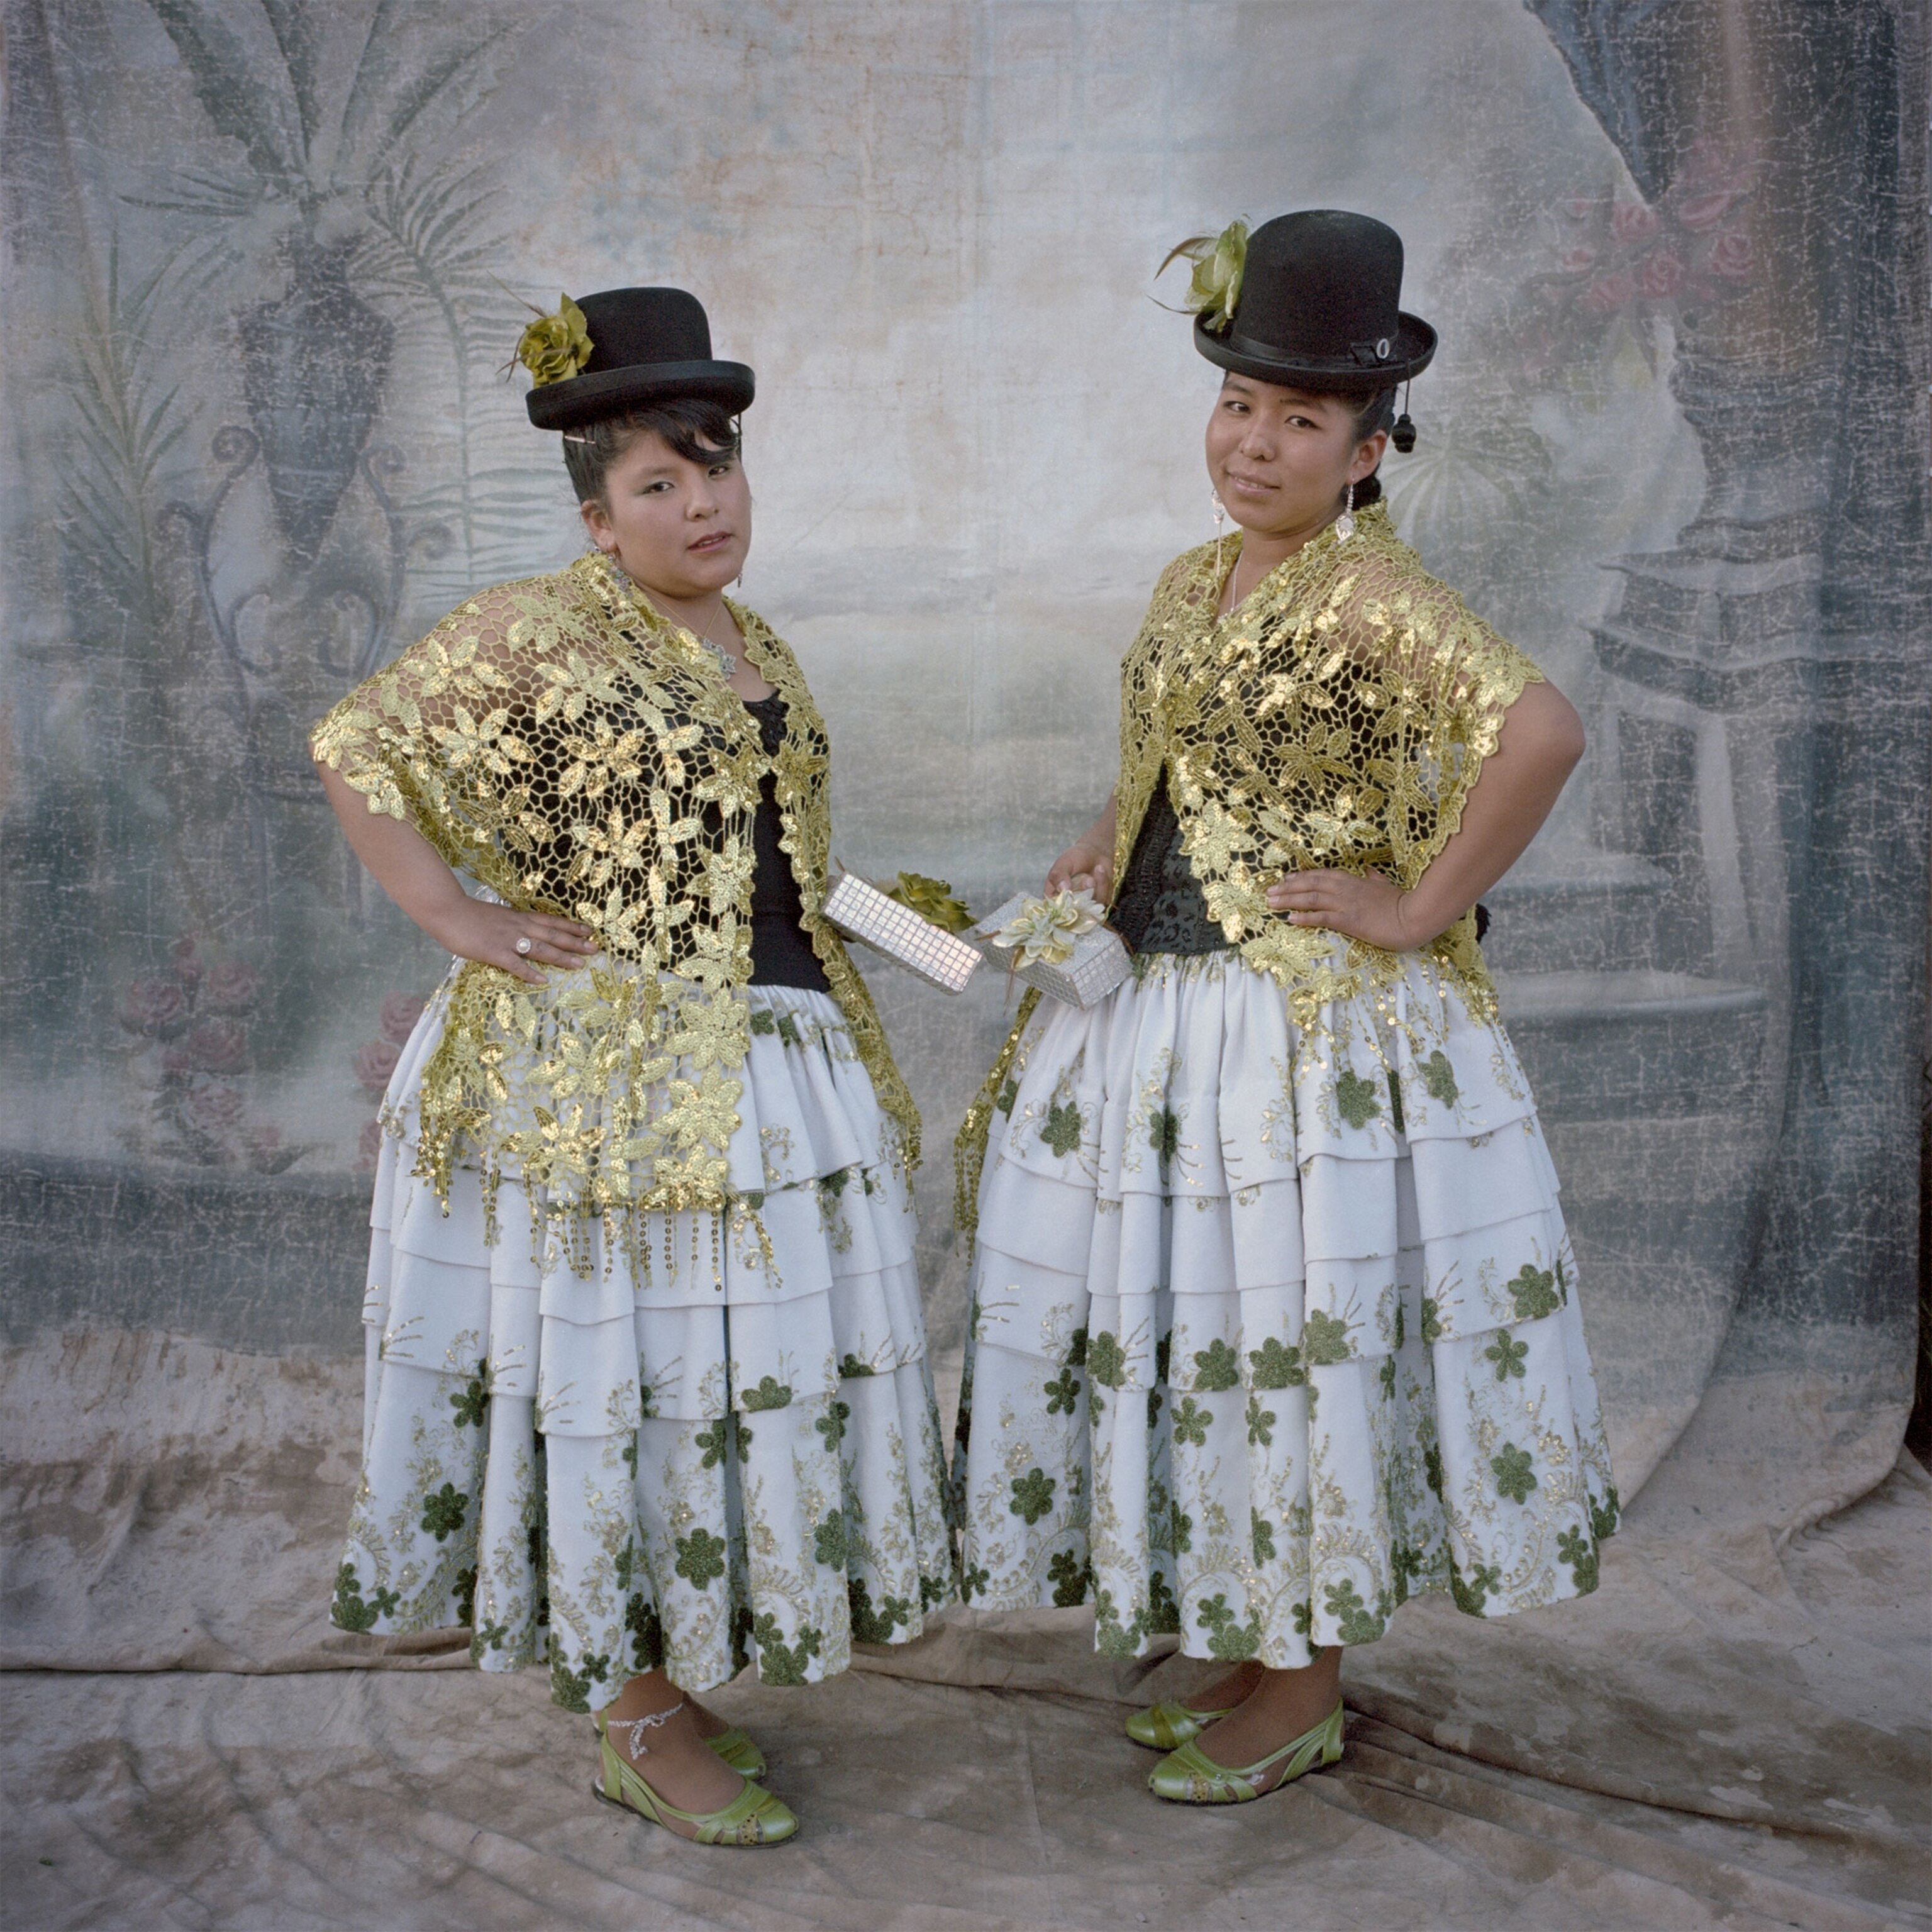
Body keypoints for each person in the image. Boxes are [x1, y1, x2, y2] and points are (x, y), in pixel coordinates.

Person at [951, 212, 1619, 1806]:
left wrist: (1414, 905)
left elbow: (1541, 730)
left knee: (1286, 1332)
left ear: (1371, 450)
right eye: (1240, 404)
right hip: (1168, 1015)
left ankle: (1307, 1681)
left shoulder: (1376, 598)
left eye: (1302, 421)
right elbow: (1193, 759)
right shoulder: (1197, 578)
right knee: (1208, 1330)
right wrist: (1116, 835)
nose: (1256, 444)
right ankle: (1259, 1645)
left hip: (1297, 1030)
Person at [311, 286, 953, 1846]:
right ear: (599, 520)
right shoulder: (536, 632)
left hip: (765, 1060)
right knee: (628, 1381)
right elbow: (360, 746)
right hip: (599, 1082)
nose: (701, 502)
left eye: (714, 467)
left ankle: (667, 1666)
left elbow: (779, 868)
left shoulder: (758, 643)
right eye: (657, 484)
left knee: (720, 1387)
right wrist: (451, 912)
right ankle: (628, 1701)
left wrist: (938, 937)